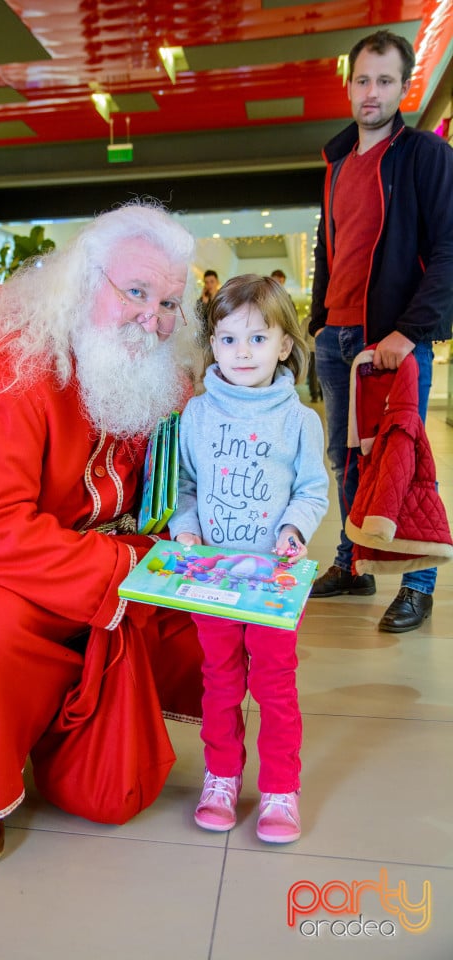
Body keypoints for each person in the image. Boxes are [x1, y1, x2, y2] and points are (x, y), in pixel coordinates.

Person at [0, 201, 205, 866]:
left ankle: (72, 729)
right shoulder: (9, 362)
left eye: (170, 303)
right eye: (138, 292)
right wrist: (121, 571)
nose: (153, 319)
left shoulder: (162, 376)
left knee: (214, 612)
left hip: (98, 551)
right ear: (86, 282)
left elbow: (174, 489)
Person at [169, 275, 329, 840]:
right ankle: (221, 776)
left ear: (285, 345)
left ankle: (281, 788)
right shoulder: (197, 416)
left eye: (258, 339)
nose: (242, 352)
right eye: (228, 339)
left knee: (275, 687)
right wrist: (186, 532)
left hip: (273, 583)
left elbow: (312, 489)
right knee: (219, 682)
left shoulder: (299, 421)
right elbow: (185, 487)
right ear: (211, 343)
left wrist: (292, 529)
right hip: (211, 580)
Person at [309, 29, 453, 632]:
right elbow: (331, 253)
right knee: (347, 462)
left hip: (392, 343)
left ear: (404, 87)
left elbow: (449, 249)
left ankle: (419, 583)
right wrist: (316, 324)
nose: (372, 92)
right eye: (363, 80)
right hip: (338, 341)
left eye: (385, 81)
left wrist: (409, 332)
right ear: (348, 86)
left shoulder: (424, 155)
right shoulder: (338, 161)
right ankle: (353, 562)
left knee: (404, 459)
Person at [195, 269, 220, 336]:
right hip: (203, 335)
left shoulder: (223, 299)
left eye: (212, 281)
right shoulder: (201, 300)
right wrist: (204, 304)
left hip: (217, 333)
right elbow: (197, 318)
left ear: (217, 282)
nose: (209, 285)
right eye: (206, 282)